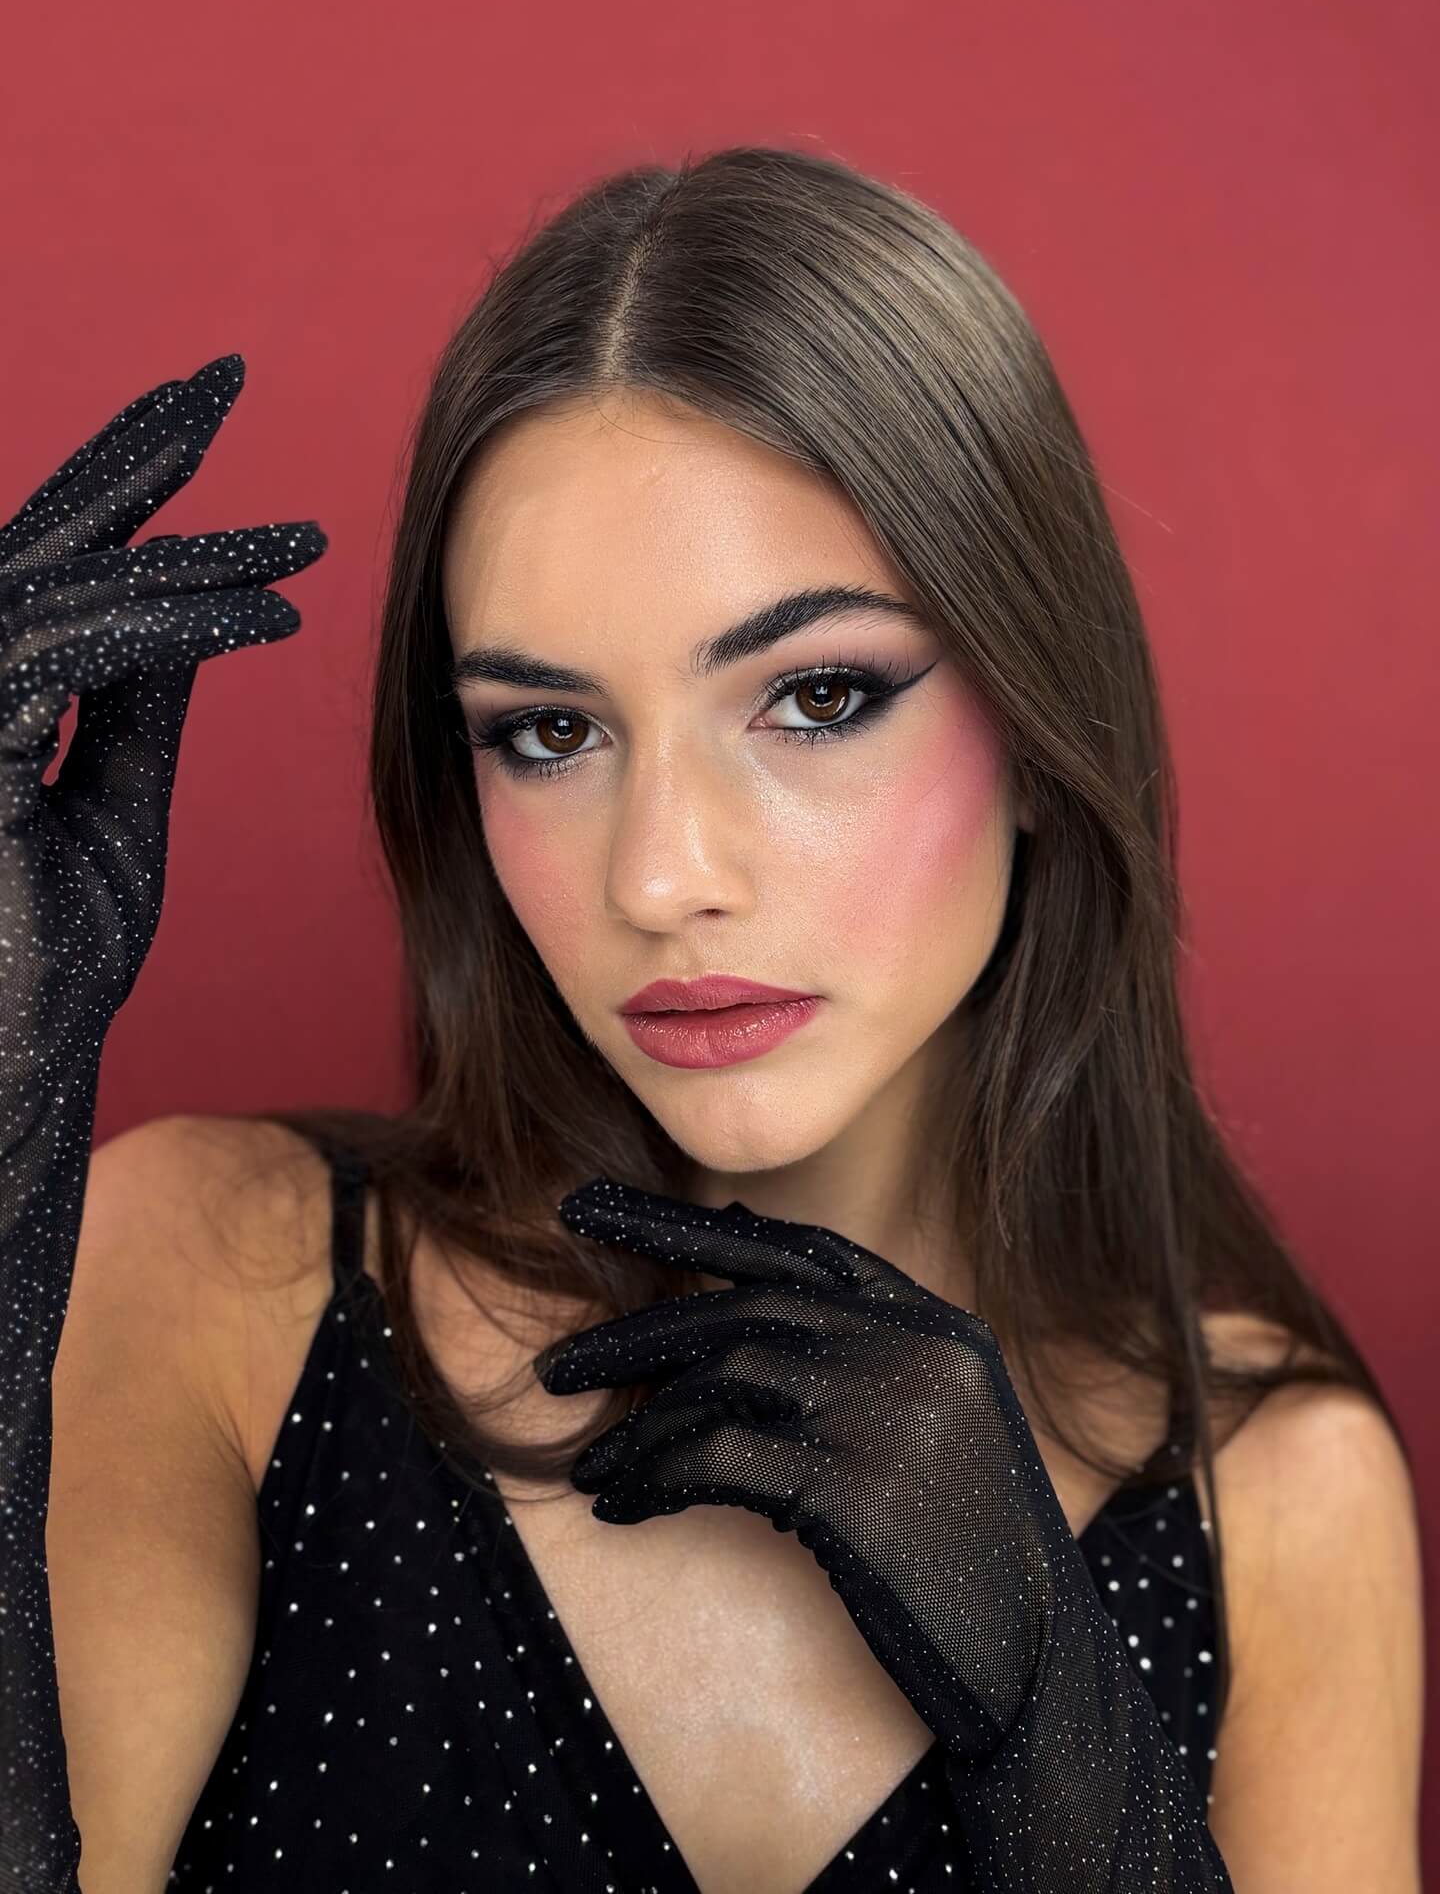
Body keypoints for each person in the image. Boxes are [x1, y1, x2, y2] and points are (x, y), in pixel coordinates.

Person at [2, 146, 1424, 1893]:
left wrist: (1056, 1707)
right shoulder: (216, 1279)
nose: (663, 876)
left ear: (1043, 731)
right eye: (550, 732)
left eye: (816, 696)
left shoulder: (1275, 1492)